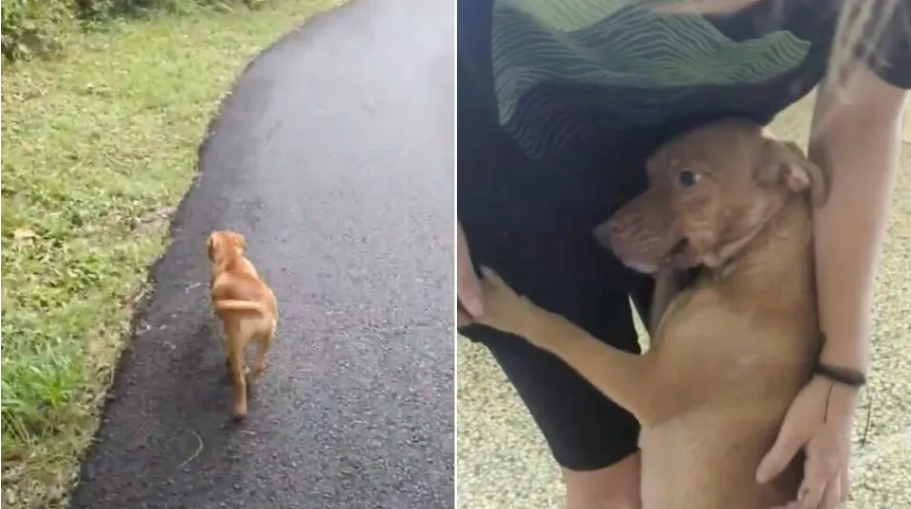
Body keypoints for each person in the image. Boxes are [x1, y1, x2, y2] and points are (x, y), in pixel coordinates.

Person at [456, 0, 909, 508]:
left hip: (693, 190)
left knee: (647, 474)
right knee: (607, 481)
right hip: (506, 182)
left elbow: (860, 124)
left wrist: (841, 371)